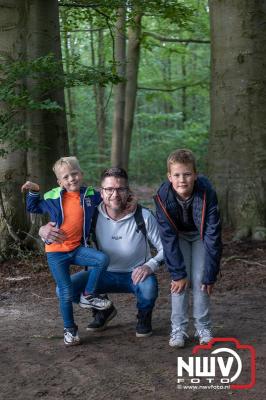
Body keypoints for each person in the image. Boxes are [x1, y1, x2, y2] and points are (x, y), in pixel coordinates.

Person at [39, 167, 163, 338]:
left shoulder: (144, 216)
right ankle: (103, 311)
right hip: (102, 275)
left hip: (135, 274)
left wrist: (150, 266)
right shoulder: (91, 214)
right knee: (63, 290)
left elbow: (165, 249)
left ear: (128, 191)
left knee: (149, 289)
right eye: (109, 189)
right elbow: (65, 225)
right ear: (101, 192)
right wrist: (43, 231)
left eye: (121, 189)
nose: (115, 194)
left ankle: (143, 316)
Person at [21, 156, 112, 346]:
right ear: (59, 182)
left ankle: (89, 295)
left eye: (74, 174)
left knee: (101, 259)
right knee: (65, 291)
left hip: (77, 248)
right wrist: (34, 191)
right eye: (66, 177)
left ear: (81, 174)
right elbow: (32, 207)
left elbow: (109, 199)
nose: (71, 179)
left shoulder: (90, 195)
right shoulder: (53, 197)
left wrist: (124, 198)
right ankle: (70, 330)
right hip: (56, 252)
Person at [154, 149, 222, 348]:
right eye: (176, 175)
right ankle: (179, 328)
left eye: (187, 174)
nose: (182, 179)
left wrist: (211, 274)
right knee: (180, 281)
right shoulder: (162, 196)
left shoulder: (207, 193)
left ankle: (203, 326)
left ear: (195, 174)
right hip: (177, 237)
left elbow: (212, 236)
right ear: (169, 177)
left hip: (201, 236)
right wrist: (177, 273)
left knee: (201, 278)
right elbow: (167, 238)